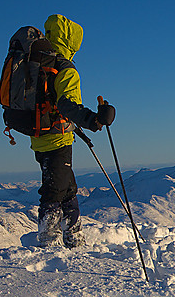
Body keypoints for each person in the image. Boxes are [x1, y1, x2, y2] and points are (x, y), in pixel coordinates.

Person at [31, 14, 115, 248]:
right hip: (56, 138)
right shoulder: (64, 68)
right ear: (72, 42)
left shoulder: (39, 64)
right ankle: (48, 243)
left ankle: (74, 239)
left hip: (40, 135)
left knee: (67, 188)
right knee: (55, 190)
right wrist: (93, 120)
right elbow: (66, 105)